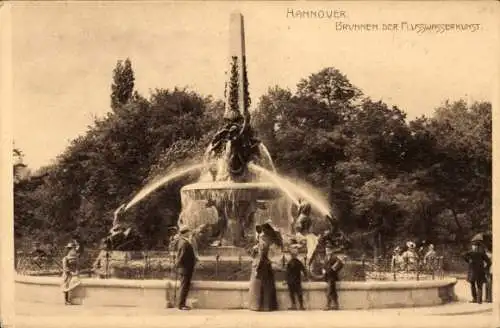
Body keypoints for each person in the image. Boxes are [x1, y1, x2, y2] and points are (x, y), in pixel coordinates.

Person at [248, 220, 282, 311]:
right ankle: (264, 306)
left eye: (264, 228)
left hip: (264, 263)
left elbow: (265, 252)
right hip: (264, 263)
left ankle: (261, 306)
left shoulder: (267, 239)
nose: (263, 230)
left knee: (263, 285)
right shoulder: (266, 238)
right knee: (265, 285)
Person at [175, 225, 197, 310]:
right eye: (189, 232)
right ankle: (181, 305)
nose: (190, 233)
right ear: (186, 233)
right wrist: (178, 265)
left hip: (184, 268)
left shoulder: (182, 241)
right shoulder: (184, 243)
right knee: (184, 286)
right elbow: (181, 256)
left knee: (184, 286)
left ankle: (181, 304)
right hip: (185, 268)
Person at [285, 244, 308, 310]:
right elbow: (304, 270)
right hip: (297, 280)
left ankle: (294, 305)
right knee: (299, 293)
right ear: (296, 255)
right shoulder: (299, 262)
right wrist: (306, 276)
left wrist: (286, 280)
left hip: (291, 281)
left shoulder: (289, 263)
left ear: (291, 255)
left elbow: (287, 273)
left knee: (292, 293)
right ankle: (301, 306)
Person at [322, 242, 344, 310]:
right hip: (327, 276)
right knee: (333, 291)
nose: (327, 252)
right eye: (326, 250)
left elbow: (340, 264)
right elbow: (324, 266)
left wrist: (334, 269)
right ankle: (336, 305)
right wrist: (323, 269)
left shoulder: (334, 257)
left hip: (332, 277)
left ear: (331, 251)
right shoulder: (325, 257)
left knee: (329, 290)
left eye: (328, 250)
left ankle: (328, 305)